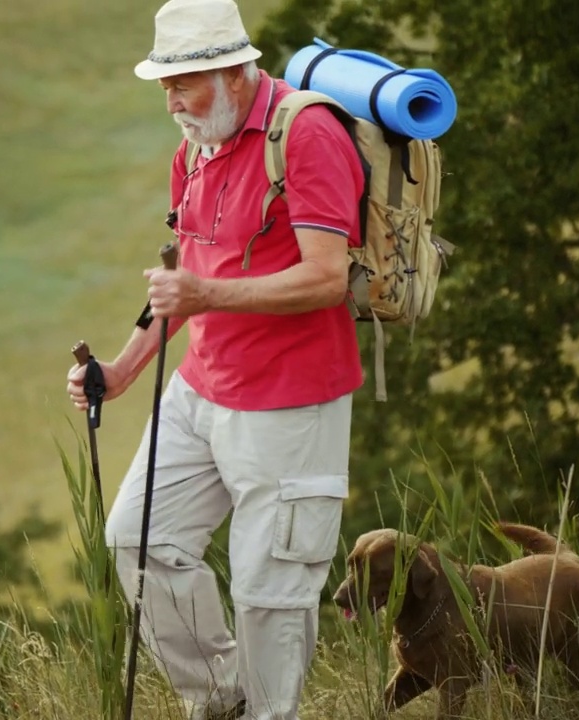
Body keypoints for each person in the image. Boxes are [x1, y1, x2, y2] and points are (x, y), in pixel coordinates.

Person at [65, 0, 365, 717]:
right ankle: (221, 700)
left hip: (292, 403)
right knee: (139, 540)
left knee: (269, 595)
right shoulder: (197, 147)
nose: (171, 104)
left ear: (234, 72)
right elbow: (181, 283)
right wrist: (124, 368)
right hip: (202, 393)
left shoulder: (307, 134)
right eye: (163, 87)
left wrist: (206, 292)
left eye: (182, 86)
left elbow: (327, 277)